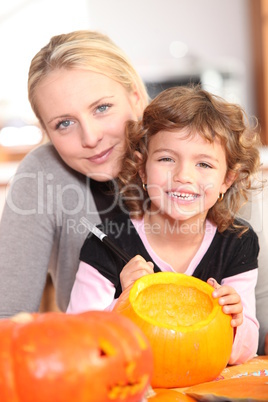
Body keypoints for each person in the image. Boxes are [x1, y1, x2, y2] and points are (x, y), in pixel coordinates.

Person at [67, 85, 263, 364]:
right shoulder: (107, 242)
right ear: (142, 168)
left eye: (204, 164)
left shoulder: (236, 242)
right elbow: (76, 344)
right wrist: (121, 305)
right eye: (167, 159)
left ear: (226, 180)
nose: (183, 175)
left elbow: (244, 353)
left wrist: (235, 321)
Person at [0, 30, 149, 317]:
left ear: (134, 96)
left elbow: (261, 320)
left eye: (102, 108)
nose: (90, 137)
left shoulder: (198, 151)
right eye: (64, 123)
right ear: (46, 130)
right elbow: (7, 319)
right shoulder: (43, 174)